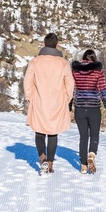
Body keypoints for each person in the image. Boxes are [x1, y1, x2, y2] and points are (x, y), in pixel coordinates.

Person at [23, 33, 74, 175]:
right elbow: (70, 84)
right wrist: (66, 99)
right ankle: (50, 162)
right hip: (57, 101)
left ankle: (42, 157)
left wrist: (30, 97)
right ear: (57, 45)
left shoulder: (35, 62)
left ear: (43, 45)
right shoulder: (63, 63)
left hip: (39, 100)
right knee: (53, 132)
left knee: (39, 131)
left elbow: (27, 81)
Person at [71, 49, 106, 174]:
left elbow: (71, 91)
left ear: (83, 58)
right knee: (94, 135)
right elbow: (103, 91)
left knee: (83, 137)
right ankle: (91, 155)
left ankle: (83, 166)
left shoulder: (75, 71)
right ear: (94, 58)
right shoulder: (97, 71)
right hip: (94, 108)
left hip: (79, 108)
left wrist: (69, 108)